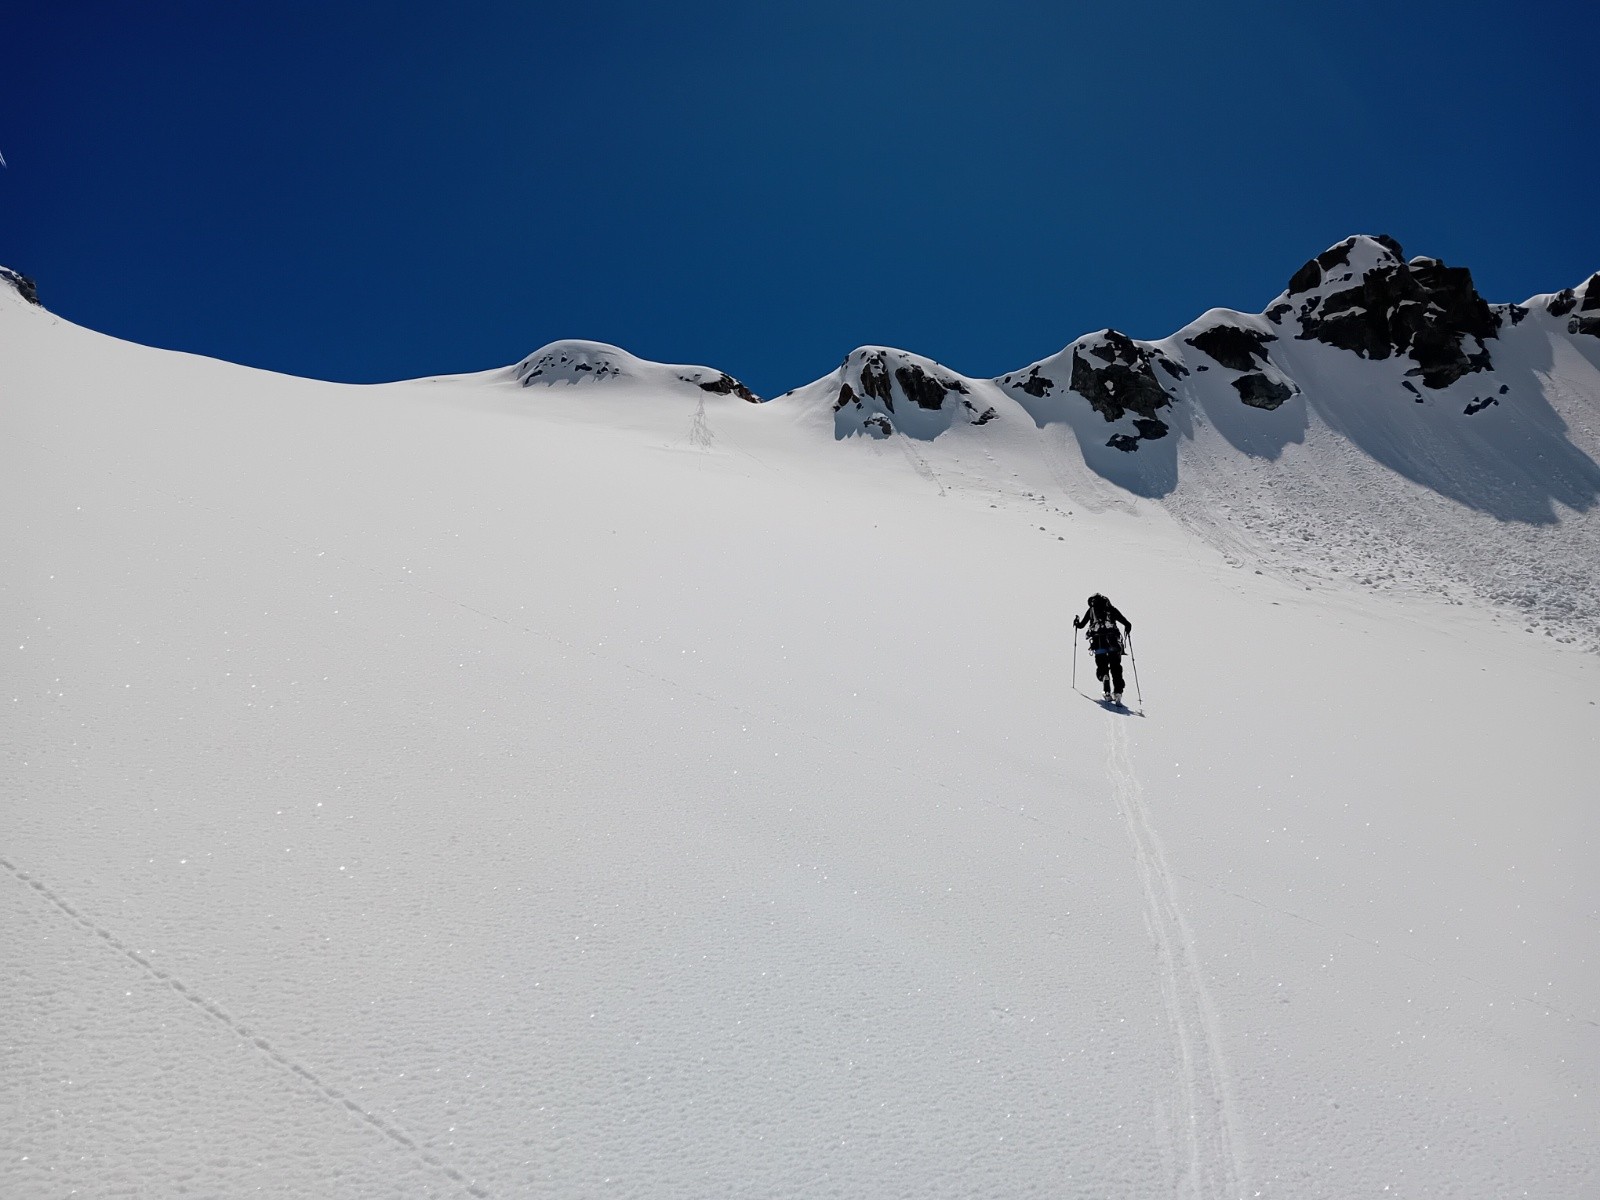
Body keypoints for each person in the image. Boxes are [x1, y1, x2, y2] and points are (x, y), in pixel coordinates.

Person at [1074, 593, 1132, 702]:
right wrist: (1127, 630)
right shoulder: (1111, 609)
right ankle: (1118, 691)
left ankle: (1105, 680)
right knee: (1116, 667)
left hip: (1098, 643)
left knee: (1102, 665)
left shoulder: (1091, 610)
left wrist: (1076, 622)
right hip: (1113, 642)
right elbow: (1127, 623)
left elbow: (1081, 625)